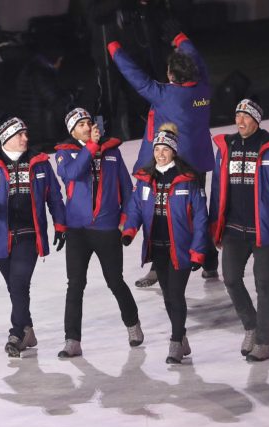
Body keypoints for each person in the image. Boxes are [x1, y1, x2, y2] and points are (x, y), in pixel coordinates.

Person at [108, 27, 217, 285]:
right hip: (198, 163)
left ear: (170, 76)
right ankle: (209, 263)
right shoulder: (204, 87)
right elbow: (197, 61)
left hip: (169, 165)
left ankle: (158, 267)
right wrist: (182, 39)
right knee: (198, 213)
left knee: (158, 214)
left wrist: (115, 49)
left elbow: (135, 77)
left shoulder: (164, 95)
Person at [209, 99, 269, 362]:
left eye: (246, 117)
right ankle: (251, 326)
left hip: (265, 229)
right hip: (232, 228)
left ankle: (263, 342)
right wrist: (214, 226)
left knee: (263, 284)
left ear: (256, 120)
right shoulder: (226, 147)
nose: (240, 122)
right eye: (237, 116)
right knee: (230, 278)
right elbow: (217, 189)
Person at [0, 116, 66, 357]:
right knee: (15, 287)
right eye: (19, 135)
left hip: (29, 235)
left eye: (25, 133)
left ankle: (16, 333)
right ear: (6, 139)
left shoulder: (39, 162)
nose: (25, 138)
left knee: (20, 283)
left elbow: (54, 196)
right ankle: (28, 329)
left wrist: (60, 225)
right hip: (1, 236)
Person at [53, 107, 142, 358]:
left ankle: (133, 323)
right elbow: (72, 174)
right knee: (75, 285)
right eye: (80, 124)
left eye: (88, 122)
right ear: (72, 131)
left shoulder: (111, 152)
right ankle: (72, 340)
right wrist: (91, 147)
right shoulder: (64, 154)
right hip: (77, 230)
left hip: (106, 227)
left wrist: (126, 218)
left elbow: (126, 187)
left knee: (115, 281)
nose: (86, 126)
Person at [121, 124, 208, 364]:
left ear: (174, 152)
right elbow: (136, 208)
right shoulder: (145, 178)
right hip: (157, 247)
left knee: (176, 295)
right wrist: (129, 230)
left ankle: (175, 342)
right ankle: (181, 337)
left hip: (180, 249)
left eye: (165, 149)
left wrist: (198, 251)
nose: (160, 153)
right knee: (168, 297)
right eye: (157, 149)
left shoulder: (188, 180)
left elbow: (201, 218)